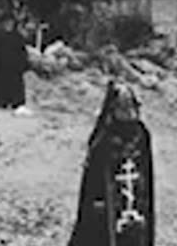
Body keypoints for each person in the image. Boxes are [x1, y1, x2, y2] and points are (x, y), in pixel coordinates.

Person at [67, 82, 156, 246]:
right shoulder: (104, 138)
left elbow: (146, 171)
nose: (129, 112)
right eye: (123, 107)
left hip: (135, 200)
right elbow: (93, 179)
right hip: (108, 205)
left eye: (131, 107)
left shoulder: (141, 134)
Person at [0, 15, 29, 110]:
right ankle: (1, 102)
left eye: (10, 23)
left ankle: (17, 104)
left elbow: (23, 52)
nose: (8, 25)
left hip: (15, 67)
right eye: (6, 23)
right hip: (2, 66)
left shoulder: (17, 37)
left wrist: (23, 64)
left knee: (16, 86)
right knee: (0, 85)